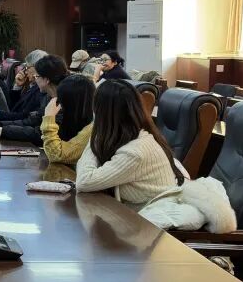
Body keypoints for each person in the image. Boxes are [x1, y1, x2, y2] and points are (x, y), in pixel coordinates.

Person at [75, 79, 185, 210]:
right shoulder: (131, 136)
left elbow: (84, 181)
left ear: (101, 113)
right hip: (136, 214)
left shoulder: (135, 151)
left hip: (153, 219)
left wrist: (97, 133)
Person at [0, 55, 67, 145]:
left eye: (37, 76)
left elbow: (40, 133)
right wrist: (1, 125)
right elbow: (32, 120)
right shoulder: (49, 96)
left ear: (46, 80)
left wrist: (3, 131)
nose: (35, 79)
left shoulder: (64, 100)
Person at [40, 74, 95, 165]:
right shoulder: (74, 120)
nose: (59, 105)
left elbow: (58, 155)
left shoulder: (92, 129)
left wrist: (49, 118)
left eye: (61, 101)